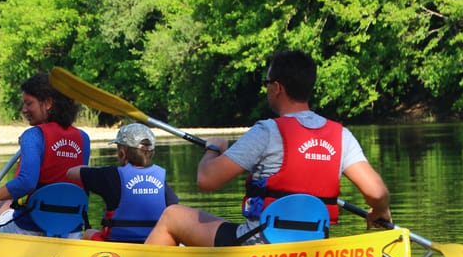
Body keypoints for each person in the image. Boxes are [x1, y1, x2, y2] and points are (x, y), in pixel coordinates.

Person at [144, 50, 393, 246]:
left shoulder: (266, 132)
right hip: (312, 247)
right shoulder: (341, 136)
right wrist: (379, 211)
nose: (267, 88)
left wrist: (213, 149)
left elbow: (207, 180)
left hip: (260, 244)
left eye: (267, 83)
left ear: (278, 87)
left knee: (172, 216)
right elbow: (377, 192)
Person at [0, 72, 91, 238]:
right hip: (71, 229)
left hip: (30, 229)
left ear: (48, 103)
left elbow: (26, 183)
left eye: (29, 103)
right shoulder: (83, 138)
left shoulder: (33, 135)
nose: (24, 109)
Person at [66, 123, 179, 243]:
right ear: (152, 153)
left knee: (88, 233)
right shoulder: (161, 181)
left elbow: (71, 173)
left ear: (122, 154)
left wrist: (97, 170)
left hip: (116, 244)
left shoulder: (109, 175)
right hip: (151, 243)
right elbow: (174, 209)